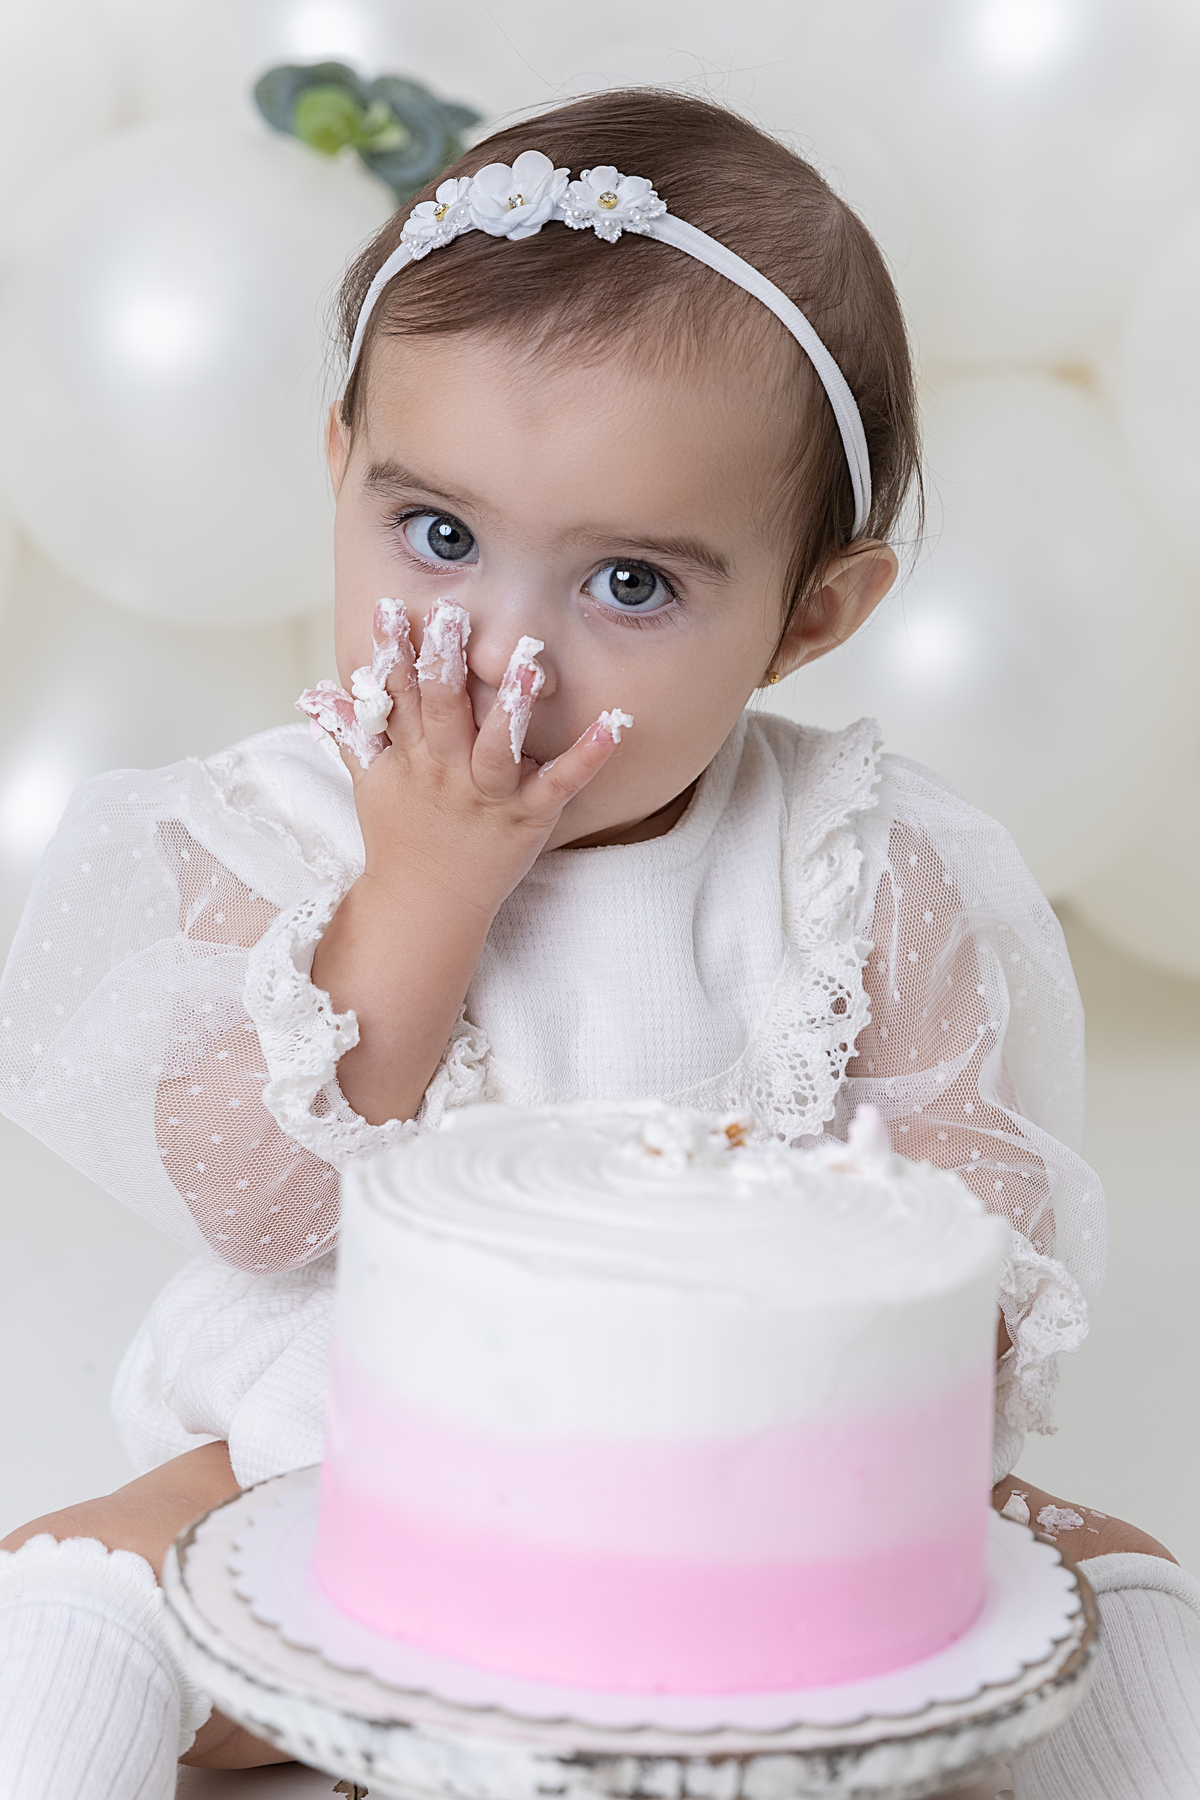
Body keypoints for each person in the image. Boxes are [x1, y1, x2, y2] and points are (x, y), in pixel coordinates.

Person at [0, 90, 1195, 1800]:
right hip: (345, 1497)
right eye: (438, 537)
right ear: (340, 471)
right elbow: (250, 1200)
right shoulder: (274, 838)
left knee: (1094, 1583)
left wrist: (882, 1391)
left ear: (808, 616)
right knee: (99, 1568)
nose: (510, 652)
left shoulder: (856, 869)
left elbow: (973, 1227)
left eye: (629, 585)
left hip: (760, 1533)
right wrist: (421, 887)